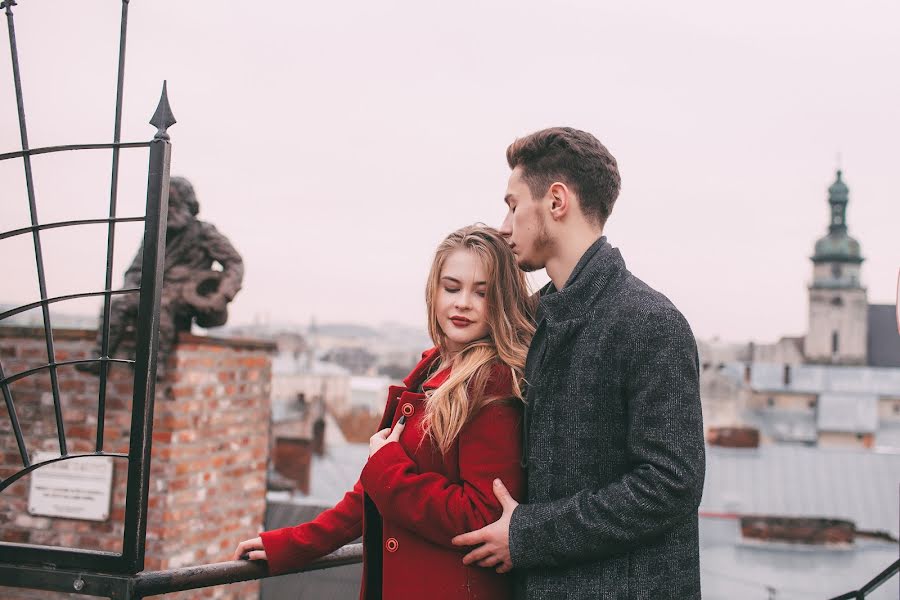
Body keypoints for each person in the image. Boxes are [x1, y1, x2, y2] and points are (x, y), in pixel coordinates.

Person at [451, 128, 706, 599]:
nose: (504, 227)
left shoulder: (650, 322)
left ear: (556, 201)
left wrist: (528, 535)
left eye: (512, 205)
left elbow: (670, 485)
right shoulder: (532, 318)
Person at [233, 225, 536, 599]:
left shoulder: (492, 382)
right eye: (452, 288)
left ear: (502, 300)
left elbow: (482, 514)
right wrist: (296, 543)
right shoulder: (433, 368)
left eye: (482, 293)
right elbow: (375, 490)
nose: (462, 303)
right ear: (434, 291)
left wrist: (389, 468)